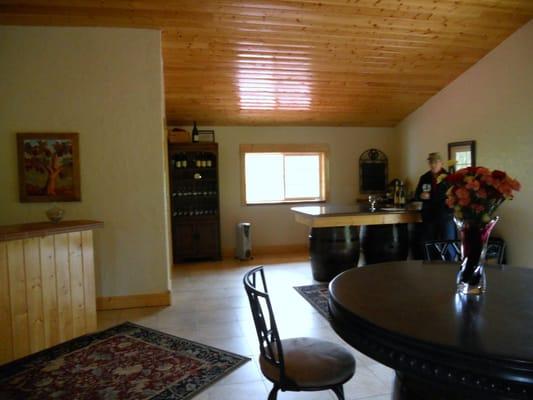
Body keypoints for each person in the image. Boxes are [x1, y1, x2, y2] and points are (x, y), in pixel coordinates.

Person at [414, 152, 456, 258]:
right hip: (429, 216)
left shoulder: (449, 178)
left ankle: (450, 268)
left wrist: (431, 196)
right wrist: (421, 195)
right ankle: (430, 268)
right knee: (429, 245)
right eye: (431, 162)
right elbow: (416, 195)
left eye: (436, 162)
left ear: (441, 163)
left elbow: (452, 196)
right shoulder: (424, 177)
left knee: (448, 244)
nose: (433, 165)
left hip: (445, 215)